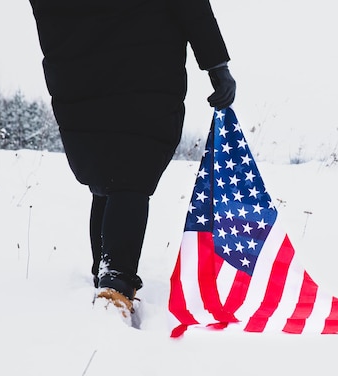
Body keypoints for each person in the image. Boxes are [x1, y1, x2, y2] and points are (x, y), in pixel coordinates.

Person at [29, 0, 236, 317]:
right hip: (145, 69)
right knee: (130, 175)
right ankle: (114, 286)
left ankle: (106, 270)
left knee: (110, 177)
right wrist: (216, 64)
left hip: (82, 71)